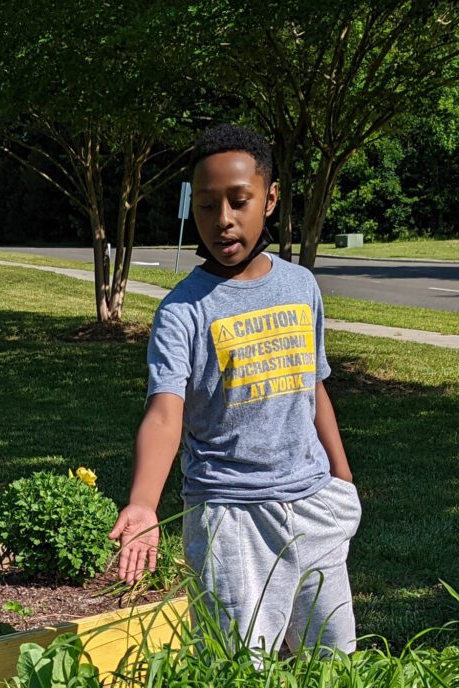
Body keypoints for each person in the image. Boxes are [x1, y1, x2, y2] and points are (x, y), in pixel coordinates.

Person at [107, 124, 362, 656]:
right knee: (239, 671)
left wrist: (343, 480)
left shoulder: (300, 286)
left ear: (269, 199)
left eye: (239, 201)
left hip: (314, 505)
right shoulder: (182, 311)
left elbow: (312, 386)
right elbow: (165, 413)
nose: (222, 219)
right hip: (230, 518)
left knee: (333, 663)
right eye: (206, 205)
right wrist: (144, 504)